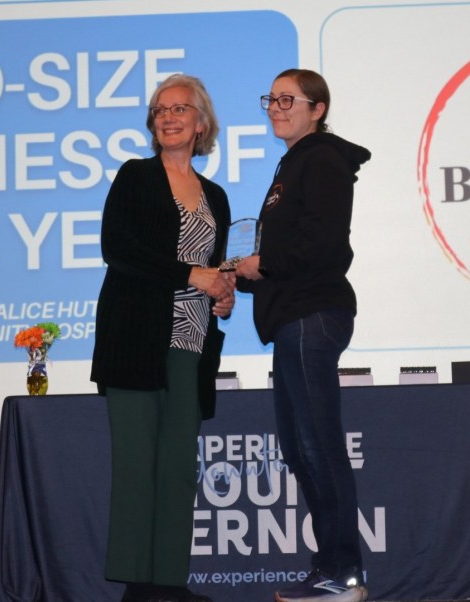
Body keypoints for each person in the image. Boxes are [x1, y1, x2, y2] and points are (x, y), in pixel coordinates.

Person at [91, 73, 235, 602]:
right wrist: (192, 275)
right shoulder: (135, 176)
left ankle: (170, 583)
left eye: (179, 109)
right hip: (135, 343)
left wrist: (222, 292)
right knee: (137, 466)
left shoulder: (215, 196)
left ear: (201, 124)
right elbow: (118, 249)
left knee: (178, 469)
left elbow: (214, 268)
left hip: (191, 346)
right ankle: (139, 585)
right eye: (160, 110)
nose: (168, 117)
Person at [234, 68, 371, 602]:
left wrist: (262, 263)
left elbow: (322, 244)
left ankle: (345, 574)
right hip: (293, 319)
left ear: (318, 109)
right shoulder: (293, 165)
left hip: (313, 316)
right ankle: (331, 569)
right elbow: (289, 255)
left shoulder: (321, 160)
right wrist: (238, 276)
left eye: (288, 99)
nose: (276, 106)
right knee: (299, 449)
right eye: (271, 98)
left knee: (318, 447)